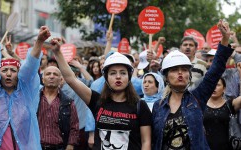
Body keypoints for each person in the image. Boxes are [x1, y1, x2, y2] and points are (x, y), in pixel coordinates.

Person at [48, 37, 152, 150]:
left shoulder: (140, 106)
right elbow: (71, 79)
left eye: (123, 73)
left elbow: (146, 142)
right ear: (106, 77)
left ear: (129, 77)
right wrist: (58, 53)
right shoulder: (96, 101)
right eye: (113, 73)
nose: (118, 76)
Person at [152, 20, 234, 150]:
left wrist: (225, 38)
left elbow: (215, 70)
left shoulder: (197, 97)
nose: (180, 73)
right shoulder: (158, 106)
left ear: (189, 75)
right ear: (166, 77)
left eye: (184, 70)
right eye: (174, 70)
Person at [0, 26, 50, 149]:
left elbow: (30, 65)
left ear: (19, 74)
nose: (8, 74)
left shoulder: (25, 91)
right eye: (4, 70)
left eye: (13, 70)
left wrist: (39, 41)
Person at [38, 66, 79, 150]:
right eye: (48, 74)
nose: (52, 76)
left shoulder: (68, 102)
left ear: (61, 80)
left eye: (55, 74)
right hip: (36, 146)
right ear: (42, 79)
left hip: (59, 147)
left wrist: (70, 145)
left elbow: (74, 126)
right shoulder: (34, 99)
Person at [203, 77, 241, 150]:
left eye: (217, 85)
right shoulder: (201, 104)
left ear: (224, 89)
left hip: (227, 146)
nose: (214, 87)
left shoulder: (230, 104)